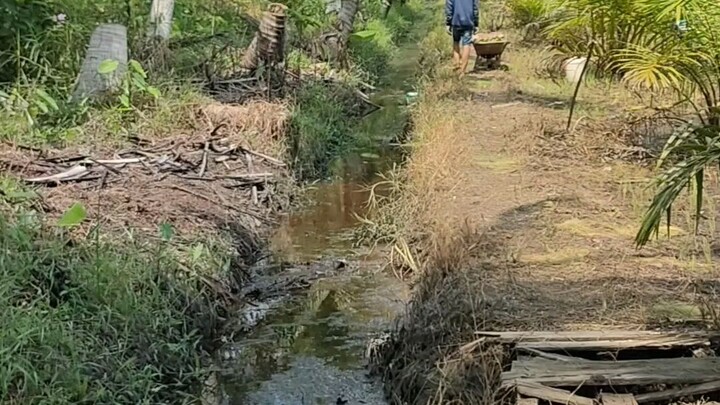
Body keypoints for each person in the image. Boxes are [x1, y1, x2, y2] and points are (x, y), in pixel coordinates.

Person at [445, 0, 478, 76]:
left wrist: (448, 23)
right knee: (466, 44)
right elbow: (475, 8)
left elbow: (449, 7)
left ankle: (457, 66)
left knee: (456, 42)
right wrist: (476, 23)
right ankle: (462, 71)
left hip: (456, 21)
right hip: (468, 22)